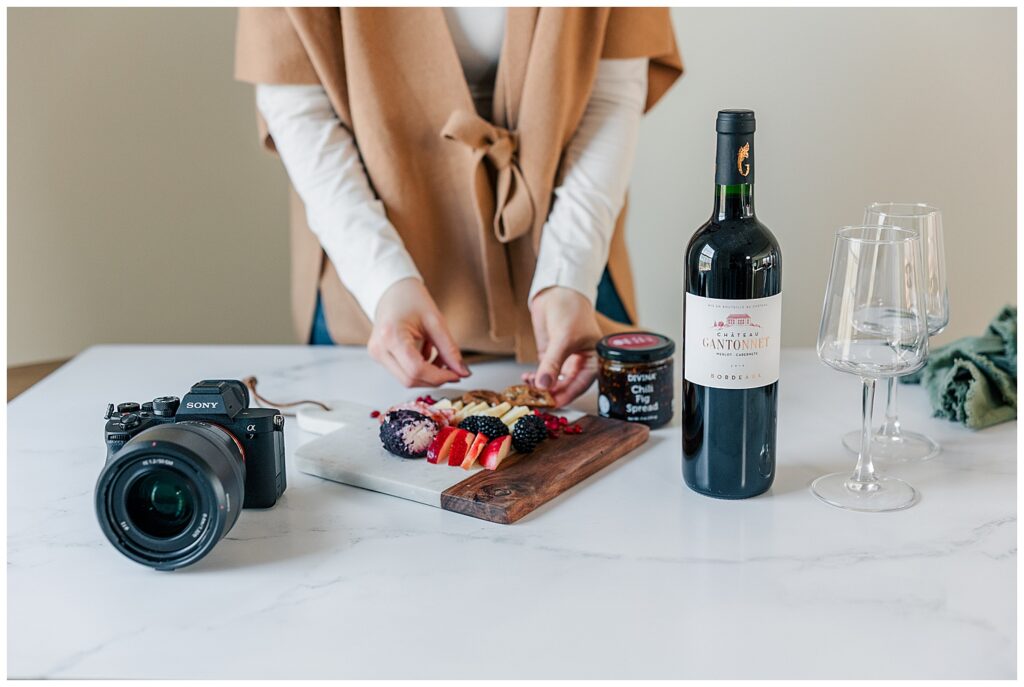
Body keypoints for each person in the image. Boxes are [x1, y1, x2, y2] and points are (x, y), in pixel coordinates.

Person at [236, 8, 682, 406]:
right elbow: (299, 109)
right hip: (368, 255)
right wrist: (383, 281)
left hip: (572, 247)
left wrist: (569, 272)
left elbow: (611, 93)